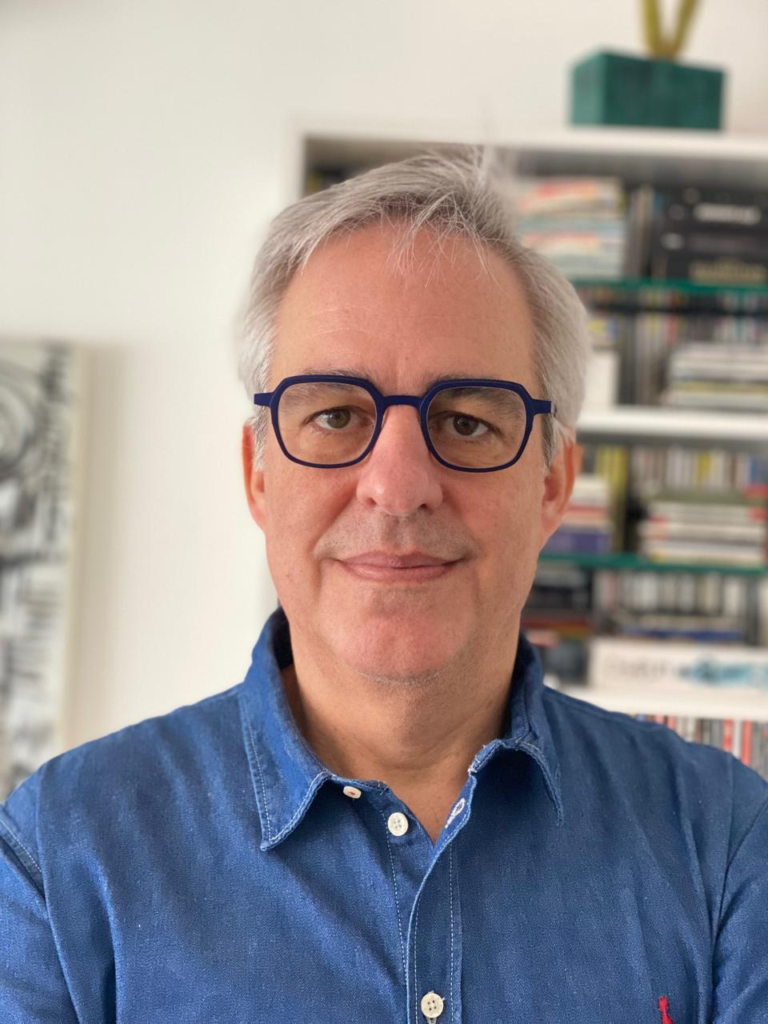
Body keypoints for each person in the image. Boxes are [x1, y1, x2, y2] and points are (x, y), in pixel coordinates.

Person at [1, 148, 766, 1023]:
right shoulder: (59, 862)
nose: (398, 487)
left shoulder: (725, 844)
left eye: (467, 421)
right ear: (259, 474)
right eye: (335, 415)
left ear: (553, 484)